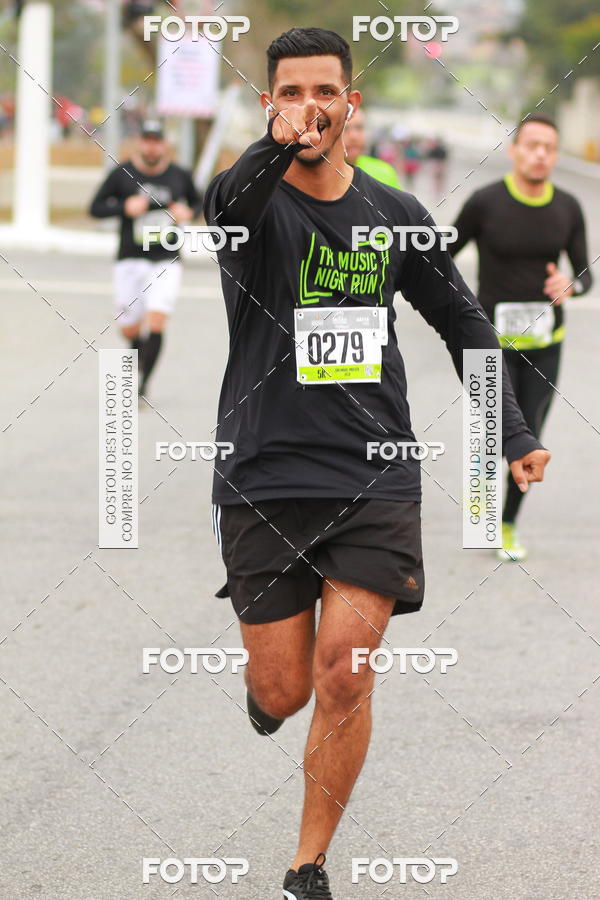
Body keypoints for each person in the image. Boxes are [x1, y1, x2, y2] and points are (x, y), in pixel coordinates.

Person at [205, 28, 550, 899]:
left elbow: (467, 323)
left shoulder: (395, 216)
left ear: (351, 104)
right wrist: (274, 144)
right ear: (270, 103)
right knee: (284, 691)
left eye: (327, 91)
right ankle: (265, 697)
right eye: (292, 92)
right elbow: (230, 200)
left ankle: (306, 865)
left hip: (374, 476)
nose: (311, 105)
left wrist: (508, 431)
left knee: (346, 673)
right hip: (265, 475)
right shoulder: (248, 203)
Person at [451, 113, 591, 561]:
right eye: (531, 145)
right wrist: (459, 307)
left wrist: (571, 285)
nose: (539, 154)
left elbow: (585, 273)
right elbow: (442, 255)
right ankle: (483, 517)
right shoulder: (484, 202)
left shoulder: (568, 206)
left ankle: (508, 523)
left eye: (548, 147)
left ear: (555, 155)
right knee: (487, 431)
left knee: (529, 433)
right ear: (514, 151)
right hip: (488, 339)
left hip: (545, 343)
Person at [89, 119, 202, 398]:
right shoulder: (122, 174)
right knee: (128, 329)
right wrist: (123, 207)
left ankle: (142, 385)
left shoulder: (179, 175)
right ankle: (137, 351)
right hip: (130, 258)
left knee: (157, 319)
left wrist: (187, 212)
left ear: (164, 145)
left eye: (157, 140)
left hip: (166, 259)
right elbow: (95, 208)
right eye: (147, 140)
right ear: (140, 143)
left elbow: (199, 203)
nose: (152, 146)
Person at [342, 106, 402, 188]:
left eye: (359, 127)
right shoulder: (321, 176)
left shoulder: (384, 171)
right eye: (344, 128)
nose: (354, 136)